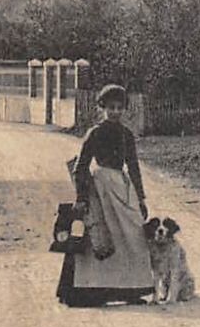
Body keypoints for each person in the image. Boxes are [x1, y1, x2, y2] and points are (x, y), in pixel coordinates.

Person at [56, 84, 154, 307]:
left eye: (120, 108)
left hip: (121, 186)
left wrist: (140, 198)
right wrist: (82, 197)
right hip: (99, 187)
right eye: (111, 107)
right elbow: (80, 167)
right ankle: (90, 289)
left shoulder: (127, 135)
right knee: (98, 235)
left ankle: (129, 289)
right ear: (102, 108)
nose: (116, 112)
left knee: (132, 234)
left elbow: (134, 166)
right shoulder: (95, 133)